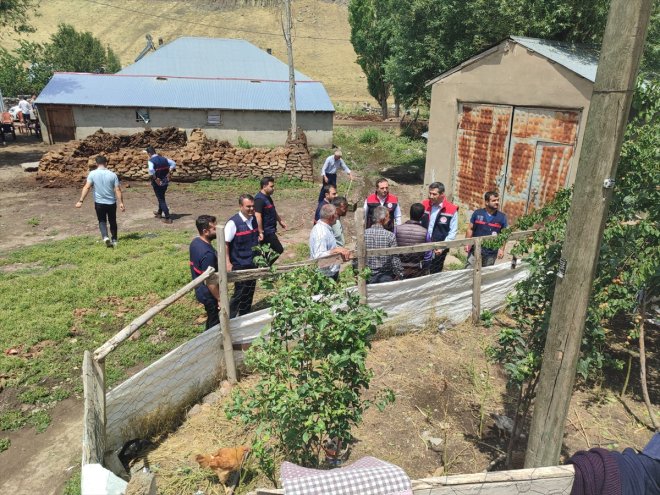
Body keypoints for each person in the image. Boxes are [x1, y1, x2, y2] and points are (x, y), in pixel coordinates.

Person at [75, 155, 125, 247]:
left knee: (102, 220)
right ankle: (114, 239)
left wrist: (81, 201)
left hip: (99, 203)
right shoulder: (112, 174)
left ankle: (105, 236)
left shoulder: (92, 174)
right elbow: (117, 189)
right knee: (112, 221)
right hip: (111, 203)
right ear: (106, 163)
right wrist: (121, 202)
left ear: (97, 163)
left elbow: (87, 187)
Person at [225, 194, 260, 319]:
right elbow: (225, 244)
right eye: (248, 206)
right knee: (239, 292)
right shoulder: (233, 223)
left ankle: (245, 315)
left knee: (250, 290)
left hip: (252, 261)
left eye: (253, 206)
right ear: (241, 206)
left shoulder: (253, 219)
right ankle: (230, 318)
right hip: (240, 263)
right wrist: (228, 262)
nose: (251, 209)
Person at [189, 215, 220, 330]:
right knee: (214, 320)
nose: (217, 230)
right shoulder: (208, 254)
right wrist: (219, 299)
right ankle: (211, 343)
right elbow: (210, 282)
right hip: (209, 294)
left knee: (212, 317)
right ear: (205, 231)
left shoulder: (195, 242)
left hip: (199, 289)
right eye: (214, 229)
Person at [421, 182, 458, 274]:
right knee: (420, 272)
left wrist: (442, 247)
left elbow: (452, 232)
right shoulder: (424, 204)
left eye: (434, 194)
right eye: (430, 193)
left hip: (438, 249)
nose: (431, 196)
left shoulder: (451, 209)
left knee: (435, 273)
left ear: (442, 195)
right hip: (422, 245)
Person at [465, 191, 508, 268]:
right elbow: (470, 229)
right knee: (468, 271)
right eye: (494, 200)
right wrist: (467, 243)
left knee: (485, 274)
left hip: (491, 252)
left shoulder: (502, 217)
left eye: (498, 200)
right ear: (487, 202)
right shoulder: (478, 213)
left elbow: (504, 235)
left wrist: (501, 249)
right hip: (475, 250)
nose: (497, 202)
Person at [309, 203, 351, 280]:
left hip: (329, 273)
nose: (337, 216)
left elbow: (328, 248)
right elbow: (318, 256)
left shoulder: (325, 228)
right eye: (336, 214)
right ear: (331, 217)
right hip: (325, 276)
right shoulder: (321, 233)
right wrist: (335, 250)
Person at [365, 206, 403, 284]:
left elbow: (356, 258)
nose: (389, 219)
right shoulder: (390, 236)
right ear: (384, 218)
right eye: (388, 217)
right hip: (385, 276)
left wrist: (358, 273)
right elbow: (395, 259)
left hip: (366, 275)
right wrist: (399, 274)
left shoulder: (363, 234)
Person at [254, 176, 287, 262]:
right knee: (279, 249)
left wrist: (280, 221)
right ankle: (266, 266)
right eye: (271, 186)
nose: (273, 188)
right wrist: (260, 231)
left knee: (265, 252)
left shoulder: (267, 197)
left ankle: (264, 267)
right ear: (264, 186)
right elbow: (258, 216)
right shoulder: (259, 199)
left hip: (270, 230)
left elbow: (272, 210)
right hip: (266, 232)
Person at [395, 203, 431, 279]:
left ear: (410, 213)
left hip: (399, 268)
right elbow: (428, 253)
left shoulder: (397, 229)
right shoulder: (425, 232)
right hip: (417, 269)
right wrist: (425, 266)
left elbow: (392, 247)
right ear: (422, 216)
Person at [146, 145, 176, 224]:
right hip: (165, 181)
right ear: (155, 151)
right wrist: (169, 172)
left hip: (157, 182)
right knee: (161, 197)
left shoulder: (151, 160)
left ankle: (167, 217)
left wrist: (155, 178)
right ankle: (159, 213)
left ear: (149, 153)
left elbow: (151, 169)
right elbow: (173, 163)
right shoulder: (164, 159)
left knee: (161, 199)